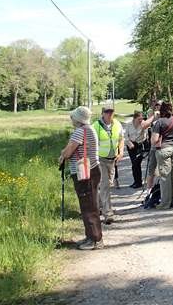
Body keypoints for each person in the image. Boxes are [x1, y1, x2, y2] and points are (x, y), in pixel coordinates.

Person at [58, 106, 103, 250]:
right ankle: (90, 236)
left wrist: (62, 154)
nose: (71, 119)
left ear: (77, 119)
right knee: (89, 203)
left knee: (88, 206)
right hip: (91, 170)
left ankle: (95, 239)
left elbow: (68, 151)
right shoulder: (89, 129)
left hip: (85, 173)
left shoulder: (80, 131)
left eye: (73, 117)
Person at [92, 106, 124, 225]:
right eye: (107, 112)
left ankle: (98, 207)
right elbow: (91, 142)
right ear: (102, 113)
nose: (109, 114)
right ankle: (108, 213)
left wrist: (121, 152)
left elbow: (121, 139)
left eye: (111, 112)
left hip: (112, 160)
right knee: (105, 185)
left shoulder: (117, 124)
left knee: (108, 184)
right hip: (100, 159)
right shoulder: (96, 126)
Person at [150, 101, 173, 210]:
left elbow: (154, 140)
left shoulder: (159, 122)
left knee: (165, 177)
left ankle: (165, 203)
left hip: (163, 149)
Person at [124, 111, 156, 188]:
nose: (140, 120)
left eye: (141, 119)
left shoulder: (143, 124)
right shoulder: (129, 124)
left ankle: (138, 182)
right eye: (139, 119)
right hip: (131, 145)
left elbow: (146, 135)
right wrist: (129, 143)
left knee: (136, 163)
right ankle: (136, 181)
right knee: (134, 164)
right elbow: (125, 136)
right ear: (134, 119)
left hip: (140, 145)